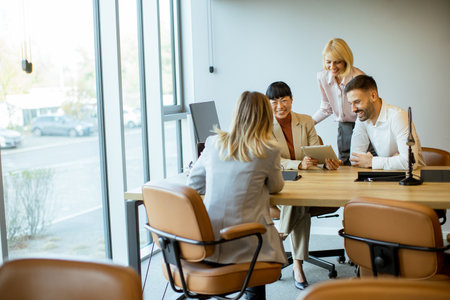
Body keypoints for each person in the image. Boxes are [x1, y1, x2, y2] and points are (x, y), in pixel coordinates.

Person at [187, 91, 287, 299]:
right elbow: (276, 186)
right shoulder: (268, 149)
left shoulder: (213, 143)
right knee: (258, 252)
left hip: (208, 241)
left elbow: (194, 185)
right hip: (248, 243)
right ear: (266, 117)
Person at [266, 81, 340, 290]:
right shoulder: (265, 126)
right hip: (279, 181)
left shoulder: (306, 121)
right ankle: (297, 267)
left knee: (299, 199)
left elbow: (315, 150)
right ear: (268, 104)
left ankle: (281, 235)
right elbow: (272, 159)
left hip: (306, 181)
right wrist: (299, 163)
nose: (280, 106)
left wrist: (326, 160)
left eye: (284, 100)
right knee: (299, 203)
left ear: (291, 100)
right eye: (274, 101)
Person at [345, 75, 425, 170]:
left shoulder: (398, 116)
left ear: (373, 96)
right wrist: (393, 161)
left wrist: (371, 161)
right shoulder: (362, 118)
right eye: (351, 104)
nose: (353, 109)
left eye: (357, 102)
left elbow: (410, 162)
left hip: (414, 178)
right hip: (385, 177)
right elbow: (355, 159)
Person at [313, 38, 366, 165]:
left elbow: (367, 110)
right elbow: (326, 108)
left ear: (346, 61)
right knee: (344, 163)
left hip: (363, 124)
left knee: (361, 163)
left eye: (337, 62)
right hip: (344, 127)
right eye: (328, 62)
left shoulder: (358, 78)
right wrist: (308, 123)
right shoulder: (322, 77)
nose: (332, 67)